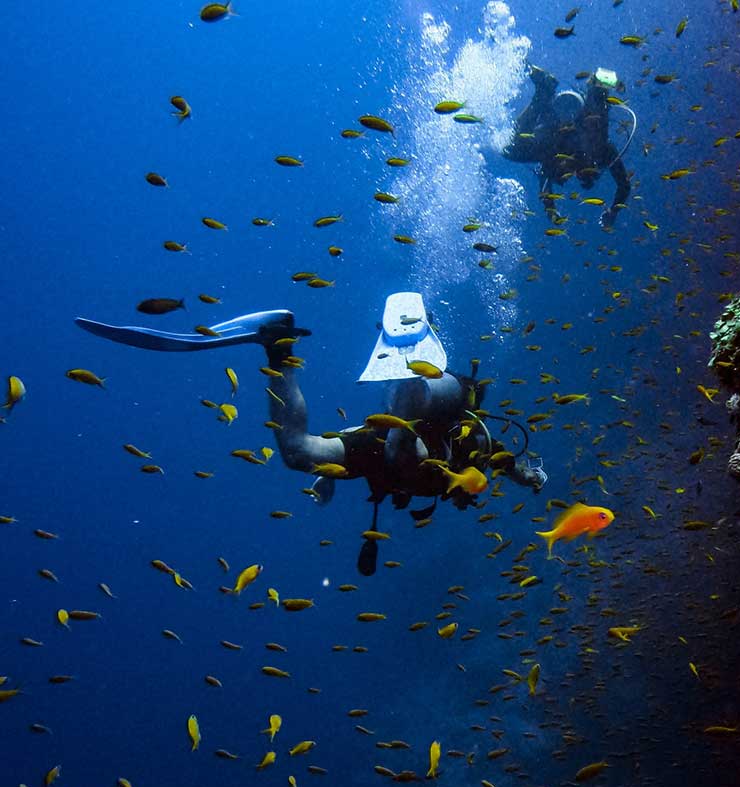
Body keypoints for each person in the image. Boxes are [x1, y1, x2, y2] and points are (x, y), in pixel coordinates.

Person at [75, 293, 547, 574]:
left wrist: (327, 469)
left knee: (298, 452)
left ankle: (277, 345)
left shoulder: (464, 454)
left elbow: (374, 436)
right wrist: (524, 473)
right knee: (402, 446)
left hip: (383, 447)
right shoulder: (477, 450)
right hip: (408, 446)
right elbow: (496, 456)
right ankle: (412, 375)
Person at [502, 65, 633, 228]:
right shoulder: (602, 152)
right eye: (577, 174)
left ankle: (545, 93)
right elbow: (624, 184)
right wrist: (613, 212)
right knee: (511, 150)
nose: (571, 173)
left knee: (512, 150)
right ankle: (589, 89)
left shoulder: (565, 157)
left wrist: (551, 211)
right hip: (565, 121)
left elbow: (545, 186)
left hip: (558, 123)